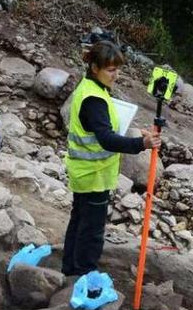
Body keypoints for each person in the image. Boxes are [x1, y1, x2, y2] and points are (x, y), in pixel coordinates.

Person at [61, 40, 160, 276]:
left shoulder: (91, 88)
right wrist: (141, 144)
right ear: (95, 68)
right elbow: (106, 138)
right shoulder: (94, 99)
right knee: (92, 231)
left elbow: (104, 128)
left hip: (85, 172)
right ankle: (84, 277)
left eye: (118, 69)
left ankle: (69, 271)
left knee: (79, 223)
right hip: (94, 175)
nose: (117, 75)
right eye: (111, 70)